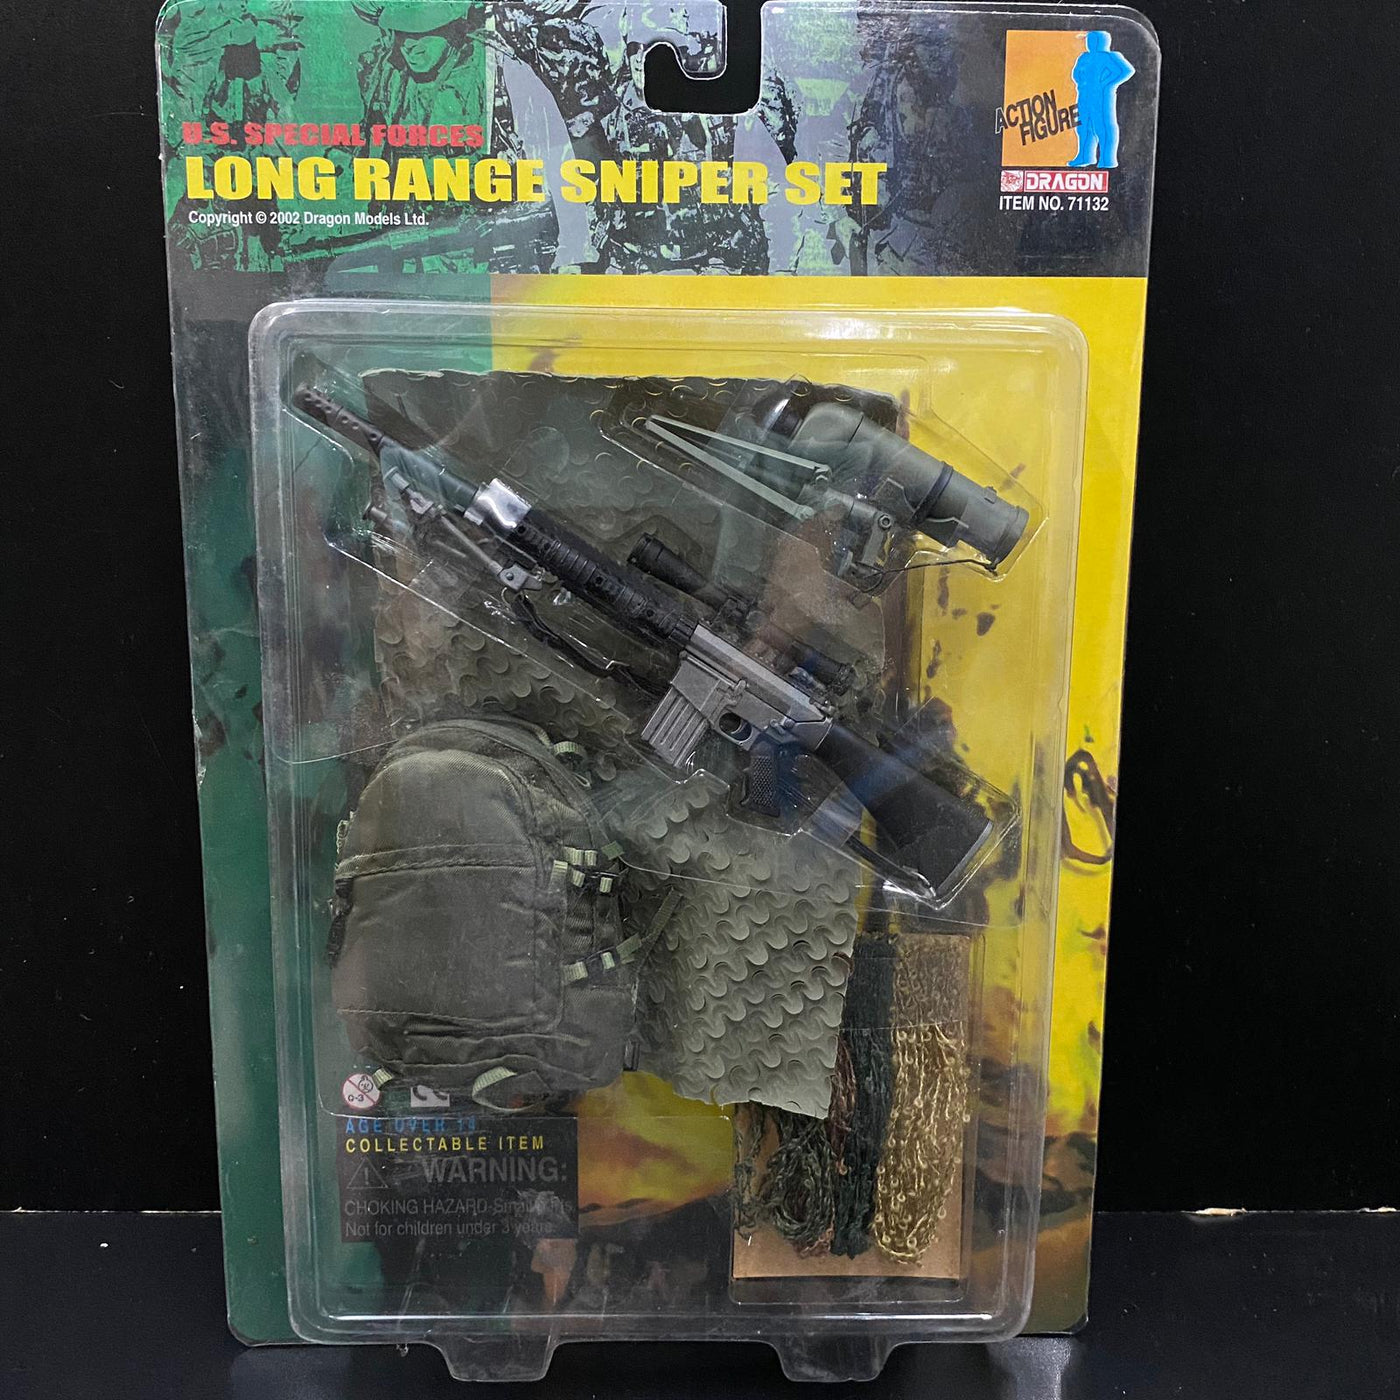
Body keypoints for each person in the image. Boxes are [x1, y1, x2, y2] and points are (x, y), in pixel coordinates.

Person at [1068, 31, 1134, 170]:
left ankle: (1107, 159)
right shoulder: (1084, 57)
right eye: (1089, 40)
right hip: (1084, 95)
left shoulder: (1108, 57)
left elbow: (1125, 71)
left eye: (1093, 40)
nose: (1090, 43)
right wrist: (1080, 82)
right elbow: (1075, 73)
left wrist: (1107, 83)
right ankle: (1084, 156)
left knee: (1102, 125)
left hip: (1101, 96)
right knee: (1083, 126)